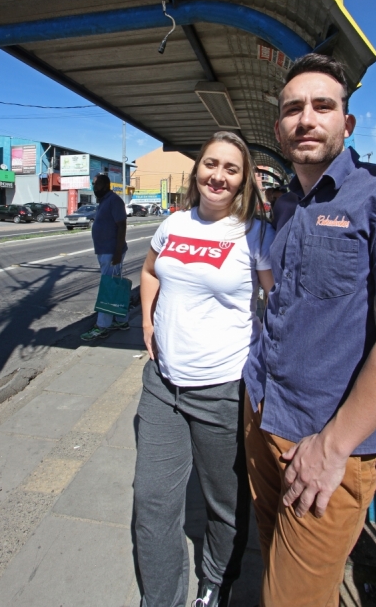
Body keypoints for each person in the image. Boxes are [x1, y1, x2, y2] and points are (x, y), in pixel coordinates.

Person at [244, 53, 376, 607]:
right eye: (293, 108)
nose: (306, 118)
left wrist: (333, 446)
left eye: (323, 106)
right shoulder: (286, 206)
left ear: (347, 123)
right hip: (262, 416)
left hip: (326, 444)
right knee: (271, 568)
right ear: (279, 128)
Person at [134, 131, 275, 607]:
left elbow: (278, 301)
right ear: (197, 170)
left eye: (230, 169)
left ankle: (214, 585)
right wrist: (148, 322)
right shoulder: (173, 224)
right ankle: (161, 600)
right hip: (162, 386)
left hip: (223, 391)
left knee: (225, 502)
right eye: (210, 164)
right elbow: (149, 271)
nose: (217, 176)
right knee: (152, 501)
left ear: (243, 180)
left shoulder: (255, 234)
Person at [80, 174, 130, 341]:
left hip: (111, 252)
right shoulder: (104, 201)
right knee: (114, 286)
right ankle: (121, 320)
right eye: (93, 185)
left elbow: (122, 225)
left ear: (106, 185)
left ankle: (102, 326)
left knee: (108, 288)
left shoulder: (114, 200)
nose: (94, 188)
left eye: (97, 185)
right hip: (105, 251)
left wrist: (117, 252)